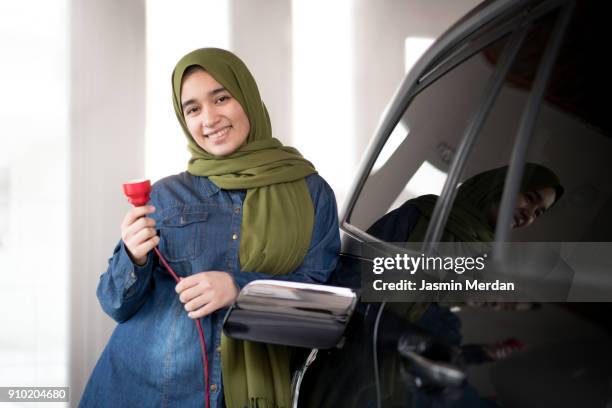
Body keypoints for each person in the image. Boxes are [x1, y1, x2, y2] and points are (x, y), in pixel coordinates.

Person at [80, 48, 340, 408]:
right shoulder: (165, 196)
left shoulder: (311, 192)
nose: (209, 118)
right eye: (193, 109)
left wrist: (241, 289)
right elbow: (115, 305)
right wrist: (132, 256)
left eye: (221, 98)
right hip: (146, 392)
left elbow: (322, 303)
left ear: (246, 95)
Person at [368, 163, 564, 407]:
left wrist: (479, 354)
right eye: (530, 198)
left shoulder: (479, 260)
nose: (529, 214)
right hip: (357, 365)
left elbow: (439, 355)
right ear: (502, 185)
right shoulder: (423, 216)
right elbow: (358, 286)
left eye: (538, 213)